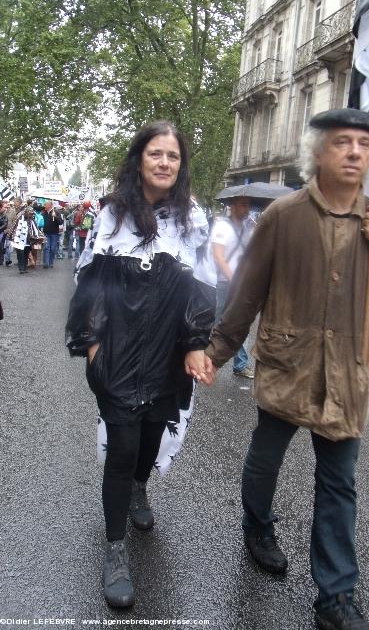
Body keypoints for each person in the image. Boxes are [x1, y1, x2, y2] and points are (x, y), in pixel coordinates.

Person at [204, 109, 369, 630]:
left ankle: (336, 598)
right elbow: (247, 290)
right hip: (287, 363)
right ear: (318, 152)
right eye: (342, 142)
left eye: (363, 145)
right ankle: (257, 526)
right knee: (265, 461)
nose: (354, 152)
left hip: (346, 375)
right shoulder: (284, 215)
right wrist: (215, 351)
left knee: (339, 483)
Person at [66, 120, 215, 608]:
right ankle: (115, 550)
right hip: (119, 353)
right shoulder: (113, 214)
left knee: (152, 438)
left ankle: (139, 490)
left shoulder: (192, 217)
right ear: (139, 159)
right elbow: (88, 280)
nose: (165, 163)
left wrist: (196, 342)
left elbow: (203, 284)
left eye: (173, 156)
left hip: (168, 355)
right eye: (156, 154)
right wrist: (92, 349)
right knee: (123, 447)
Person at [211, 197, 254, 379]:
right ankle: (204, 358)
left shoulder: (246, 229)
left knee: (239, 322)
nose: (247, 208)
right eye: (243, 204)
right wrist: (233, 280)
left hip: (240, 283)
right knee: (215, 322)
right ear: (233, 206)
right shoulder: (222, 227)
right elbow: (218, 256)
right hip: (223, 283)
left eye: (248, 205)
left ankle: (240, 364)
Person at [41, 202, 63, 268]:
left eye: (46, 204)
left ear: (50, 206)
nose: (44, 206)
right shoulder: (44, 212)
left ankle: (51, 262)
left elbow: (61, 222)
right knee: (46, 248)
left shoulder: (56, 212)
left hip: (54, 234)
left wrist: (55, 217)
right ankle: (46, 263)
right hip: (46, 233)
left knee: (53, 249)